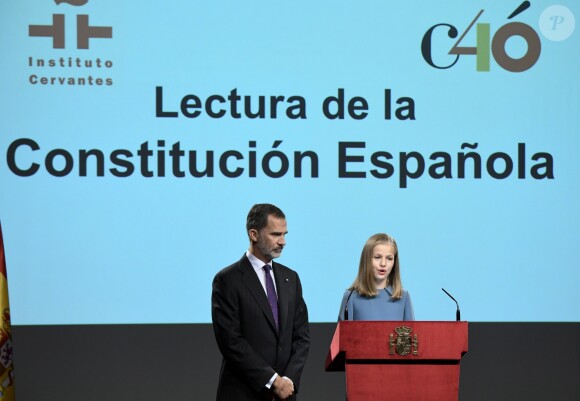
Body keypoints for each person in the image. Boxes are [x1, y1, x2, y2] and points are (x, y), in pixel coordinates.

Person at [211, 203, 310, 401]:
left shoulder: (291, 278)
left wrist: (288, 380)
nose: (283, 241)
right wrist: (273, 381)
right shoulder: (228, 279)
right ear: (254, 234)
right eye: (275, 234)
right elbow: (231, 341)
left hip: (285, 395)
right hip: (242, 393)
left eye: (285, 234)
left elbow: (301, 337)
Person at [338, 233, 414, 321]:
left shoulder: (403, 296)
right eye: (377, 257)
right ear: (367, 260)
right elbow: (343, 334)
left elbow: (411, 333)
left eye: (389, 258)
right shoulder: (350, 297)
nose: (383, 264)